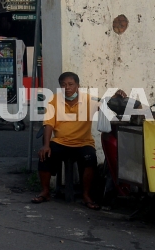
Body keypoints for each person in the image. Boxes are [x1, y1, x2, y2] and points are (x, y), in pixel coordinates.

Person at [31, 72, 125, 210]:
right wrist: (46, 145)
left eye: (70, 84)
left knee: (90, 159)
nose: (67, 88)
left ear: (77, 86)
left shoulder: (89, 100)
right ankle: (45, 192)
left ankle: (86, 196)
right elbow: (48, 124)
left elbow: (107, 103)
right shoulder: (54, 100)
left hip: (83, 142)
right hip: (60, 141)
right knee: (44, 156)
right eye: (63, 85)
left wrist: (117, 96)